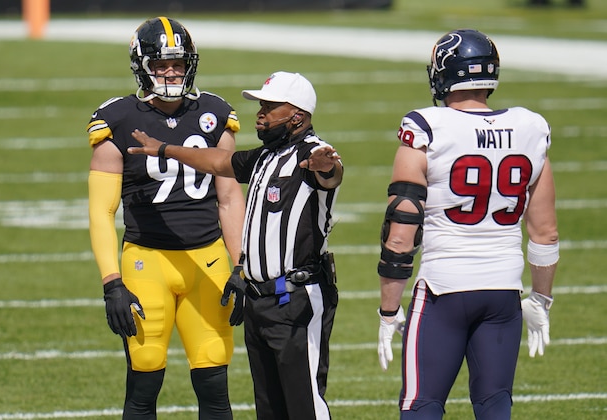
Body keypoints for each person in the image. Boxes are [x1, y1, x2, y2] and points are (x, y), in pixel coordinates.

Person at [128, 71, 343, 420]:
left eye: (270, 107)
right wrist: (164, 149)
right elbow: (218, 162)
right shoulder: (266, 157)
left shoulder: (311, 153)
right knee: (270, 409)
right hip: (260, 301)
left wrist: (327, 167)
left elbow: (331, 172)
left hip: (296, 299)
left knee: (305, 406)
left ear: (297, 116)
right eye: (261, 106)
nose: (261, 114)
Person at [376, 29, 559, 419]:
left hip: (444, 289)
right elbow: (545, 232)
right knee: (494, 405)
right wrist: (540, 300)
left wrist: (389, 310)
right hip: (503, 290)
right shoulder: (529, 128)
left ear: (443, 73)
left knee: (422, 405)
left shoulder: (427, 127)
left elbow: (401, 229)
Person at [86, 17, 245, 419]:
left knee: (213, 378)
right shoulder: (118, 120)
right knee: (145, 375)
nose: (170, 72)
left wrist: (242, 265)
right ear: (142, 66)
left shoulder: (214, 115)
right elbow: (102, 211)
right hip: (146, 261)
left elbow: (229, 198)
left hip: (206, 260)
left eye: (177, 63)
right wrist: (111, 284)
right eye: (160, 64)